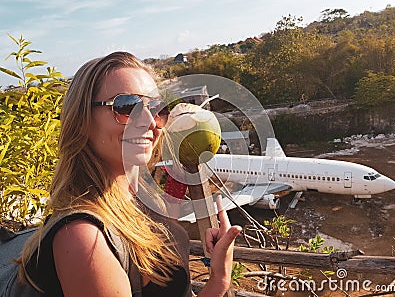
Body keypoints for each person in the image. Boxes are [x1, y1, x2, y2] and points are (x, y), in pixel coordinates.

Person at [18, 51, 241, 297]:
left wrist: (219, 279)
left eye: (157, 108)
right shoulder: (83, 238)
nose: (149, 121)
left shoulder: (143, 202)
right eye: (126, 106)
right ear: (82, 121)